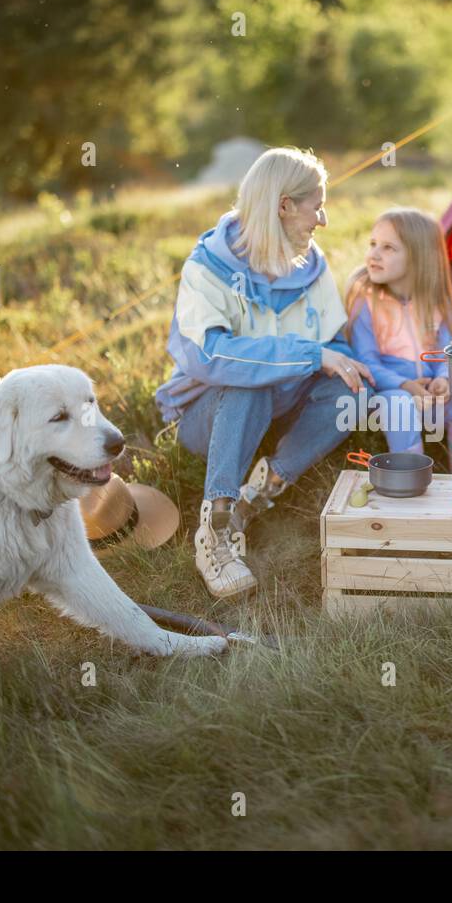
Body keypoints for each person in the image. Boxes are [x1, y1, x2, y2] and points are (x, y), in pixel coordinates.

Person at [155, 147, 374, 599]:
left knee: (351, 391)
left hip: (281, 406)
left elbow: (331, 343)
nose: (323, 220)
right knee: (247, 382)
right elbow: (212, 356)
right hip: (207, 414)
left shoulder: (311, 266)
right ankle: (215, 528)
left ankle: (260, 490)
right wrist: (311, 356)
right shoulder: (207, 268)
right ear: (283, 206)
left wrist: (341, 361)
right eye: (317, 207)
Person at [344, 208, 452, 462]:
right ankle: (409, 471)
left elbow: (447, 352)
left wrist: (443, 379)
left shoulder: (435, 303)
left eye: (388, 248)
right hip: (385, 395)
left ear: (419, 258)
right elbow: (366, 362)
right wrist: (405, 385)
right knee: (400, 405)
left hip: (427, 395)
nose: (374, 254)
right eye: (373, 244)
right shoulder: (367, 303)